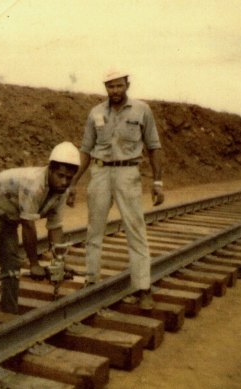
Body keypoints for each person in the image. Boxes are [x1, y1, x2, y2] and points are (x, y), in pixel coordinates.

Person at [0, 142, 81, 337]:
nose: (64, 182)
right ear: (50, 169)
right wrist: (34, 263)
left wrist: (59, 262)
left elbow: (55, 228)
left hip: (9, 213)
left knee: (12, 262)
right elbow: (29, 227)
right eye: (61, 176)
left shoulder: (60, 192)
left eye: (69, 178)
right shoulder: (34, 185)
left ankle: (9, 311)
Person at [67, 70, 165, 310]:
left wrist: (157, 182)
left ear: (127, 84)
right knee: (94, 230)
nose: (115, 91)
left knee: (136, 230)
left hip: (127, 173)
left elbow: (154, 146)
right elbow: (86, 149)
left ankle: (143, 288)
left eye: (119, 86)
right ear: (105, 88)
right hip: (100, 173)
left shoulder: (142, 110)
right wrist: (72, 182)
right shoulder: (96, 113)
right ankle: (91, 281)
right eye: (110, 87)